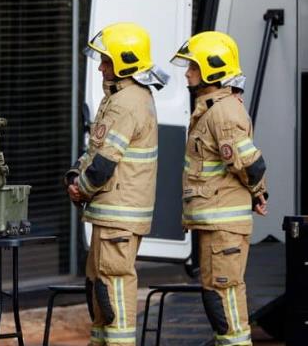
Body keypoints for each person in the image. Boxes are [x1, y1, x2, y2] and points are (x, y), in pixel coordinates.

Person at [64, 22, 168, 345]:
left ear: (125, 62)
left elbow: (104, 164)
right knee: (100, 289)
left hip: (118, 216)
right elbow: (97, 150)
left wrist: (81, 186)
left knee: (114, 289)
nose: (100, 67)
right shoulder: (121, 97)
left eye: (106, 61)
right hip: (111, 214)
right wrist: (76, 175)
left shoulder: (126, 102)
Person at [170, 31, 268, 346]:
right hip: (216, 225)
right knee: (219, 300)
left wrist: (257, 191)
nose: (187, 74)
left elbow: (251, 165)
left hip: (223, 226)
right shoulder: (213, 109)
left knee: (223, 301)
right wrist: (256, 193)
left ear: (213, 69)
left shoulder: (223, 112)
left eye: (193, 68)